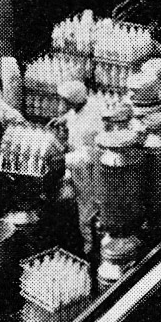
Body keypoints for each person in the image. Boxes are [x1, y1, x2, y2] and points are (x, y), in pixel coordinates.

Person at [52, 80, 102, 254]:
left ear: (73, 100)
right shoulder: (82, 107)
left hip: (87, 171)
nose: (62, 104)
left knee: (86, 208)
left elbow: (90, 155)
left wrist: (64, 158)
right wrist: (62, 120)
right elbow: (73, 116)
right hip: (77, 166)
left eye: (65, 100)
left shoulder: (91, 124)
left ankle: (90, 248)